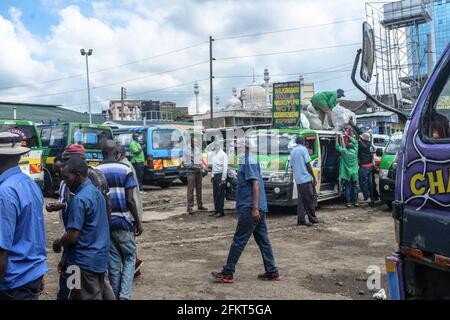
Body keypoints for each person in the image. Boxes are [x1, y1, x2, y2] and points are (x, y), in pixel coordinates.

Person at [212, 138, 281, 283]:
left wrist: (254, 209)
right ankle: (272, 271)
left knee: (239, 240)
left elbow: (255, 184)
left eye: (238, 148)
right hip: (257, 207)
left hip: (251, 208)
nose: (236, 150)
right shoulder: (248, 160)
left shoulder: (249, 160)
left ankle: (228, 272)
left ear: (247, 148)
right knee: (263, 241)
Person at [0, 132, 48, 300]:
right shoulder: (29, 183)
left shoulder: (4, 192)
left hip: (12, 284)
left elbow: (2, 252)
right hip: (31, 275)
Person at [54, 158, 110, 300]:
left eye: (66, 178)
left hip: (83, 263)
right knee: (74, 295)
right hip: (97, 258)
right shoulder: (96, 193)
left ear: (78, 176)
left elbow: (72, 237)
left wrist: (58, 242)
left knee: (86, 295)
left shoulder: (79, 199)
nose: (64, 182)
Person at [97, 140, 143, 300]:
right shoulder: (125, 169)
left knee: (114, 264)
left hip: (105, 225)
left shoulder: (95, 171)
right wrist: (138, 222)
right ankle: (124, 296)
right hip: (123, 222)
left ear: (102, 153)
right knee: (130, 257)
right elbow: (130, 200)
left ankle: (117, 296)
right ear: (117, 153)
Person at [116, 145, 144, 278]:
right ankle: (135, 268)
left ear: (119, 154)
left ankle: (134, 267)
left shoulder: (124, 167)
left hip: (130, 212)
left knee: (128, 244)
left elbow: (130, 198)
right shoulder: (126, 165)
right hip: (131, 211)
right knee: (128, 243)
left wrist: (137, 220)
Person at [289, 135, 319, 226]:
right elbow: (308, 164)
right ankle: (313, 219)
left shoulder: (292, 151)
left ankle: (301, 220)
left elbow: (291, 165)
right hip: (306, 178)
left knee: (301, 201)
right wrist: (313, 176)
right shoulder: (303, 149)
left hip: (298, 180)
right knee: (310, 200)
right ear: (303, 142)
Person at [350, 121, 375, 206]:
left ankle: (367, 197)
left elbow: (353, 141)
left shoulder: (361, 144)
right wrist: (354, 125)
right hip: (370, 166)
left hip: (364, 167)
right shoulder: (368, 143)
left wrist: (348, 135)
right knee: (370, 183)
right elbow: (361, 133)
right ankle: (372, 198)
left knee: (363, 183)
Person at [182, 134, 207, 215]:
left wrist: (202, 167)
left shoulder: (197, 149)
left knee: (199, 188)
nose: (196, 143)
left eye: (197, 142)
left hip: (198, 171)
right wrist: (192, 166)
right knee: (190, 190)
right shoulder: (186, 150)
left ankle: (200, 205)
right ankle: (189, 207)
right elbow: (184, 163)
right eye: (194, 142)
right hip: (191, 172)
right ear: (191, 142)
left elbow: (200, 159)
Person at [335, 133, 360, 208]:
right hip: (354, 173)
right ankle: (355, 202)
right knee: (354, 187)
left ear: (346, 147)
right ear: (353, 147)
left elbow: (337, 147)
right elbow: (356, 143)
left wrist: (336, 138)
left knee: (347, 188)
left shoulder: (344, 152)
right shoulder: (355, 151)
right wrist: (348, 136)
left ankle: (348, 203)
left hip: (347, 174)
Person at [210, 140, 228, 218]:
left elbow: (225, 168)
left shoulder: (223, 155)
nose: (216, 146)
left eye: (217, 145)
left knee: (220, 195)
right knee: (215, 194)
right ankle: (216, 210)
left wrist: (223, 179)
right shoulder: (214, 154)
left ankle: (221, 211)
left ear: (220, 145)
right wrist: (212, 175)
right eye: (215, 145)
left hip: (221, 176)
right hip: (215, 176)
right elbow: (214, 167)